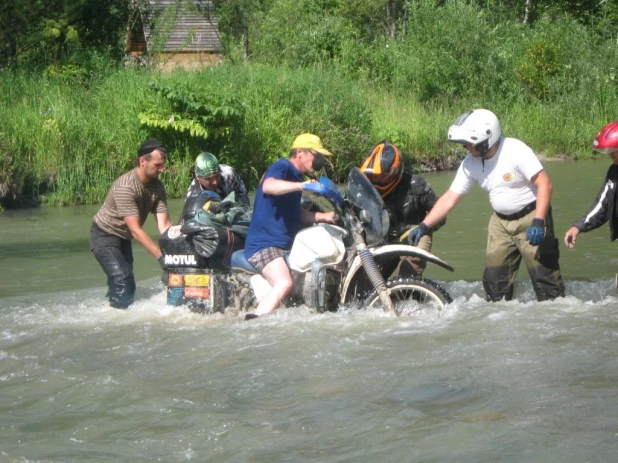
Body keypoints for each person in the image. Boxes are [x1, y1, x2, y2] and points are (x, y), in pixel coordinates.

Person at [408, 109, 565, 302]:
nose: (465, 148)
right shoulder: (470, 163)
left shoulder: (516, 151)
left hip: (531, 216)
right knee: (494, 283)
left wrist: (539, 221)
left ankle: (555, 315)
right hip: (499, 222)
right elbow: (450, 197)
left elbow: (545, 185)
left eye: (469, 143)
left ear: (486, 139)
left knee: (544, 278)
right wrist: (424, 225)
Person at [243, 133, 336, 319]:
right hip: (264, 245)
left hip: (283, 246)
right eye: (316, 155)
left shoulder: (294, 176)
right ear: (300, 152)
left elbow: (298, 215)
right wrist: (301, 186)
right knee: (284, 282)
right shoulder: (283, 166)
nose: (319, 160)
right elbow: (268, 186)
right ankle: (253, 322)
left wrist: (326, 216)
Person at [89, 139, 172, 309]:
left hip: (123, 238)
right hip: (104, 235)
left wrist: (177, 247)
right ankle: (117, 321)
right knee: (123, 280)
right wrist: (161, 257)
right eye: (157, 165)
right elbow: (136, 230)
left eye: (163, 165)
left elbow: (165, 226)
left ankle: (110, 310)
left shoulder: (158, 187)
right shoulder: (126, 186)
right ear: (143, 161)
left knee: (125, 281)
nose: (162, 169)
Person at [360, 139, 445, 276]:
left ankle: (413, 293)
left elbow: (441, 214)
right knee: (367, 283)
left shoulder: (417, 185)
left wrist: (423, 227)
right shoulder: (366, 189)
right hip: (384, 241)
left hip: (416, 235)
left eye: (382, 176)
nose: (378, 180)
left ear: (394, 171)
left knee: (407, 276)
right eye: (374, 176)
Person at [564, 121, 618, 253]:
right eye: (609, 151)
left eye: (614, 151)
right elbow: (603, 204)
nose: (611, 155)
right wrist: (578, 226)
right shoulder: (614, 171)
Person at [186, 152, 250, 207]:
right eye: (209, 179)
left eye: (216, 176)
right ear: (198, 177)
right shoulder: (192, 194)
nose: (215, 182)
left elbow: (241, 191)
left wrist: (246, 208)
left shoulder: (228, 173)